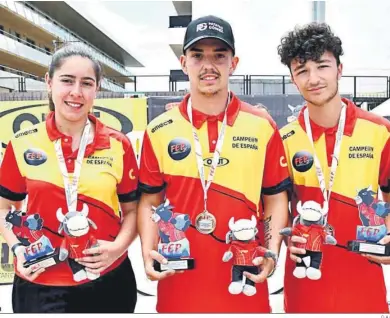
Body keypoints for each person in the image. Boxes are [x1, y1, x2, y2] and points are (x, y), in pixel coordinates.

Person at [137, 15, 291, 313]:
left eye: (219, 55)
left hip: (245, 286)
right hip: (178, 287)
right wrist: (147, 252)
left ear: (233, 63)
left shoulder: (262, 125)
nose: (208, 65)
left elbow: (275, 197)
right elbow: (149, 201)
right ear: (184, 63)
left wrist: (271, 254)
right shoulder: (159, 129)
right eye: (198, 56)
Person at [0, 44, 139, 313]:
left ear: (96, 89)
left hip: (107, 278)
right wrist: (17, 247)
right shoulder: (21, 143)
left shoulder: (118, 144)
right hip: (40, 282)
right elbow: (3, 207)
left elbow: (133, 211)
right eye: (67, 80)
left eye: (86, 83)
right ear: (49, 82)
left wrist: (117, 248)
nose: (76, 92)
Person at [277, 22, 390, 313]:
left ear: (339, 69)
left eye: (322, 66)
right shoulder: (283, 139)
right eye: (302, 70)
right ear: (293, 78)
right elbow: (277, 208)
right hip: (304, 287)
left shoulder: (379, 131)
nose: (313, 78)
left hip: (363, 283)